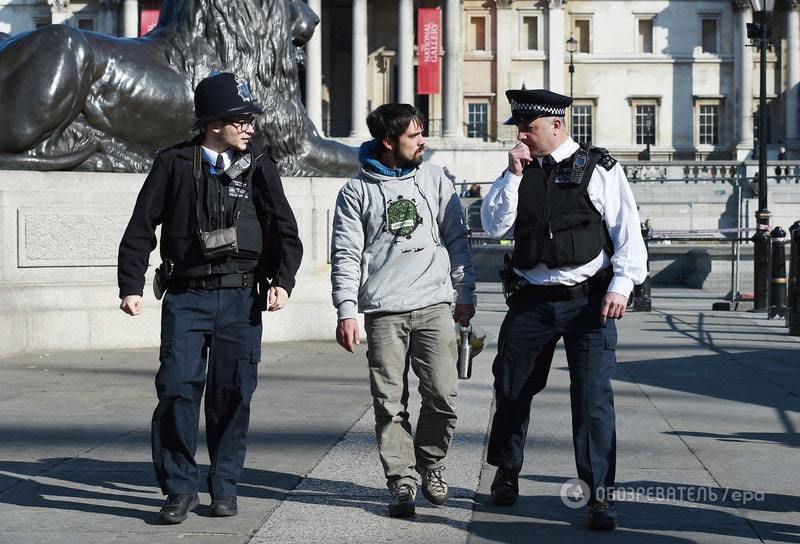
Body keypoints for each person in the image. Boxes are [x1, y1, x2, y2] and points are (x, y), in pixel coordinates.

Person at [117, 71, 302, 524]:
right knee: (177, 392)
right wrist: (131, 285)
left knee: (233, 394)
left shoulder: (259, 164)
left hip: (241, 298)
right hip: (186, 297)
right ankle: (180, 489)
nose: (250, 127)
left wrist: (282, 280)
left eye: (250, 120)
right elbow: (142, 226)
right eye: (241, 119)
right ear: (214, 122)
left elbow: (285, 229)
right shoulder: (174, 163)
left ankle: (224, 486)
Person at [480, 89, 647, 530]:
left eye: (529, 128)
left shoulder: (600, 168)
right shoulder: (518, 168)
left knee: (593, 401)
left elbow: (627, 229)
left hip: (589, 301)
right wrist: (512, 175)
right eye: (519, 127)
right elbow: (493, 225)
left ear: (557, 126)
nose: (521, 136)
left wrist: (622, 285)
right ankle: (507, 470)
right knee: (512, 388)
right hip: (532, 298)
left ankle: (599, 496)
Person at [330, 103, 476, 518]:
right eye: (415, 136)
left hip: (433, 304)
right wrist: (345, 310)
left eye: (423, 132)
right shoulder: (356, 191)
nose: (423, 141)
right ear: (389, 142)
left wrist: (464, 292)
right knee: (389, 403)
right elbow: (345, 254)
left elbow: (457, 238)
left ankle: (430, 462)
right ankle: (401, 481)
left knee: (444, 396)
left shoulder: (434, 178)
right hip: (384, 310)